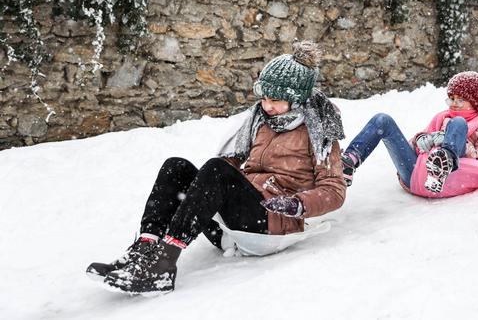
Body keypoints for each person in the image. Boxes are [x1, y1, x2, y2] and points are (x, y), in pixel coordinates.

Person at [86, 41, 346, 295]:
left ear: (296, 98)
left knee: (216, 170)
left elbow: (334, 190)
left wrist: (297, 203)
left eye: (276, 100)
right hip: (234, 223)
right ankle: (145, 250)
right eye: (264, 97)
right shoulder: (261, 120)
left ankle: (163, 266)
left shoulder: (318, 130)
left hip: (270, 223)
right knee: (176, 167)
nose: (267, 106)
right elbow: (228, 163)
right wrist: (202, 188)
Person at [341, 71, 478, 198]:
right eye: (451, 98)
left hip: (449, 182)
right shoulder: (443, 117)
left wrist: (454, 142)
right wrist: (421, 140)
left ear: (477, 103)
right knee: (382, 120)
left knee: (459, 124)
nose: (453, 104)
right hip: (414, 173)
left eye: (461, 100)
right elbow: (419, 142)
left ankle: (443, 163)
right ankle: (349, 162)